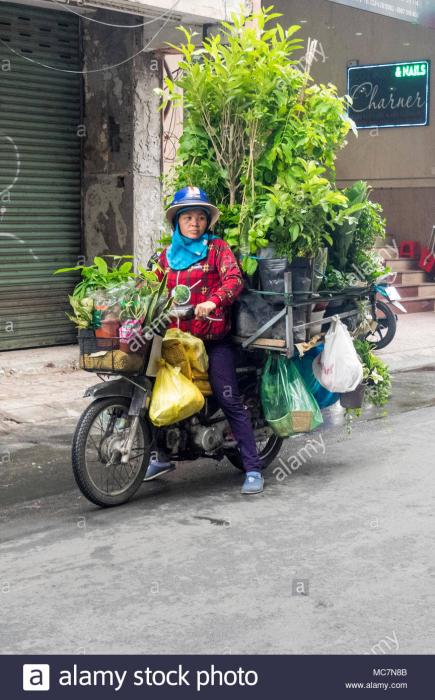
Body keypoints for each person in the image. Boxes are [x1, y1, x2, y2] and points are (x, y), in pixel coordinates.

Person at [143, 186, 264, 494]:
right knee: (156, 391)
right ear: (177, 222)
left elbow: (234, 280)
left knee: (228, 396)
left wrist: (213, 300)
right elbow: (147, 289)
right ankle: (161, 454)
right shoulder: (165, 258)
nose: (194, 223)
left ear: (207, 222)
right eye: (188, 217)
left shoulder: (217, 249)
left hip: (212, 339)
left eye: (200, 217)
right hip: (174, 339)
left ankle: (252, 468)